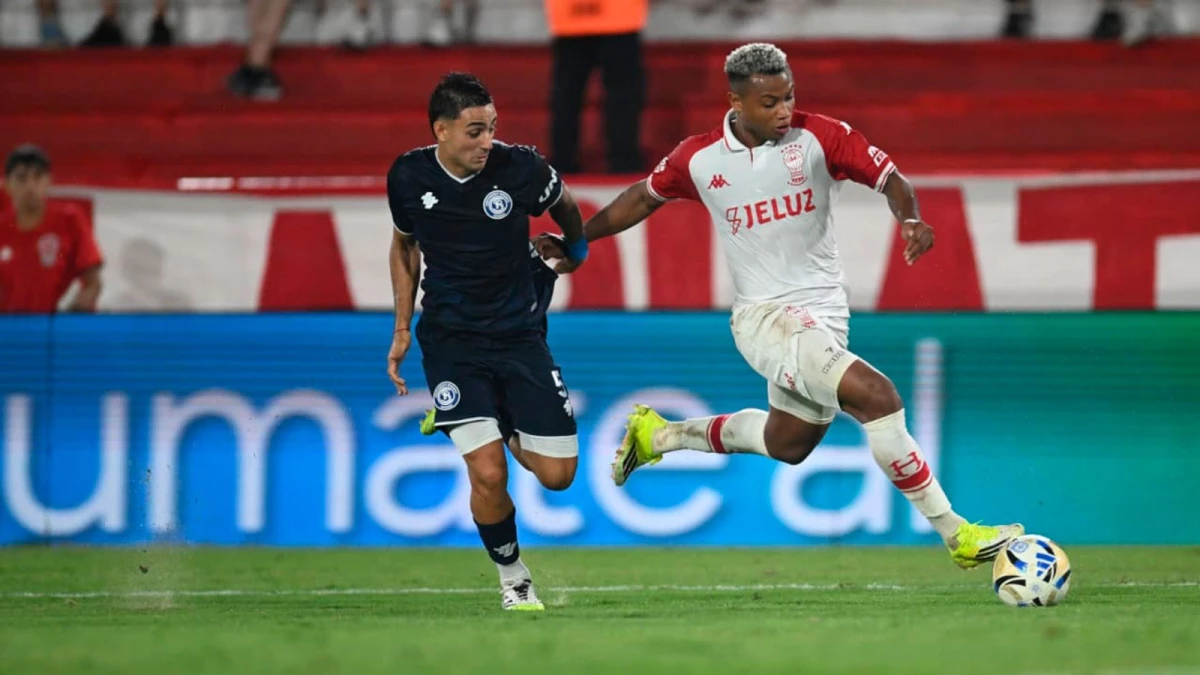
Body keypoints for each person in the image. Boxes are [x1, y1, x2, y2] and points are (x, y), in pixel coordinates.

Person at [537, 43, 1022, 569]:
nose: (784, 111)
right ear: (736, 102)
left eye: (788, 97)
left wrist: (909, 217)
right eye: (769, 102)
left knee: (788, 443)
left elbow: (890, 179)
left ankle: (659, 435)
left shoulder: (820, 136)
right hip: (766, 318)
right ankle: (959, 535)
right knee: (877, 397)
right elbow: (640, 196)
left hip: (825, 316)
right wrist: (578, 241)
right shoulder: (699, 159)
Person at [385, 73, 589, 611]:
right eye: (475, 132)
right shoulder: (407, 177)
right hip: (452, 341)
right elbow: (405, 247)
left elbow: (565, 203)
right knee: (490, 470)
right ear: (442, 130)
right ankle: (514, 579)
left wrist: (576, 250)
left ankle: (489, 416)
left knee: (558, 476)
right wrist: (403, 328)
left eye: (492, 129)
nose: (486, 142)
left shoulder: (519, 168)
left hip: (519, 334)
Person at [544, 0, 647, 174]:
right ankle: (624, 162)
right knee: (623, 97)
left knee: (567, 97)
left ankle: (563, 162)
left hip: (571, 16)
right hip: (620, 15)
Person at [0, 145, 103, 314]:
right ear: (7, 185)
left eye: (38, 177)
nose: (30, 186)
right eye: (21, 178)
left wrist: (66, 323)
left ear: (49, 181)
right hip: (8, 332)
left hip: (55, 331)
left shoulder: (69, 220)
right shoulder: (2, 229)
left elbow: (93, 283)